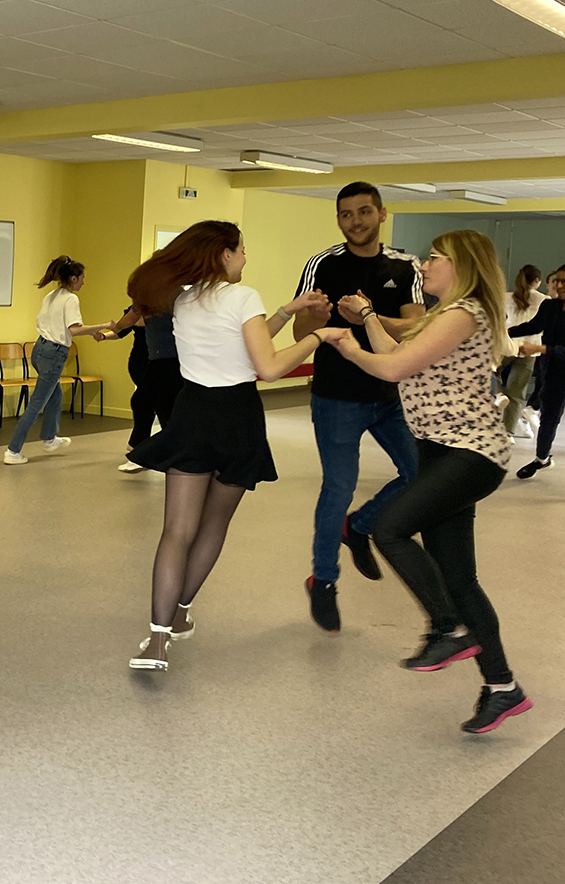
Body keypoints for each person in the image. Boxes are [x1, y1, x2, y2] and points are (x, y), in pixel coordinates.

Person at [332, 232, 532, 734]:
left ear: (460, 264)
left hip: (470, 454)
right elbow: (403, 360)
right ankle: (502, 687)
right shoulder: (444, 315)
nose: (423, 264)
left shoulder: (464, 313)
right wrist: (368, 321)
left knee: (391, 528)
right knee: (460, 578)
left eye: (434, 258)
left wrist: (350, 348)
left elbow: (393, 365)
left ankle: (449, 627)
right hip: (443, 453)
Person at [124, 222, 336, 672]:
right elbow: (269, 367)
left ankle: (158, 640)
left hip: (193, 414)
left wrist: (287, 309)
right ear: (223, 254)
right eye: (241, 250)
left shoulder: (181, 300)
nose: (245, 258)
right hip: (237, 419)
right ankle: (181, 611)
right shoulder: (243, 297)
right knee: (213, 525)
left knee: (176, 531)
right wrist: (318, 337)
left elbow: (240, 342)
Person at [292, 181, 426, 633]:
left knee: (420, 472)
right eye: (346, 214)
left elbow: (413, 328)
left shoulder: (404, 266)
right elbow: (299, 337)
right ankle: (324, 580)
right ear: (338, 219)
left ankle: (361, 526)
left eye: (364, 212)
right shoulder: (322, 264)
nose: (356, 222)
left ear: (382, 214)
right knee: (338, 487)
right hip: (337, 397)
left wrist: (367, 315)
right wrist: (316, 313)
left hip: (392, 395)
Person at [3, 256, 113, 466]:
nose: (83, 282)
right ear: (73, 278)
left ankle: (50, 438)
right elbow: (74, 330)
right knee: (37, 403)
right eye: (82, 278)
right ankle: (13, 450)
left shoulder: (51, 296)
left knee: (55, 392)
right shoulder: (71, 299)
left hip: (39, 350)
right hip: (54, 353)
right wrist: (103, 325)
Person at [508, 262, 565, 503]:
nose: (559, 285)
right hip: (553, 376)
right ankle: (541, 460)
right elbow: (532, 326)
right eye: (557, 281)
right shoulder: (549, 307)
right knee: (548, 420)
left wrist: (539, 348)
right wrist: (502, 332)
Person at [100, 307, 183, 473]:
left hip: (167, 360)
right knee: (148, 403)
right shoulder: (150, 302)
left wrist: (115, 326)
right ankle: (144, 450)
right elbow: (126, 325)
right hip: (153, 360)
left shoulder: (167, 299)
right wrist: (107, 333)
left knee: (153, 404)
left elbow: (126, 322)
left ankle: (147, 451)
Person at [500, 264, 546, 438]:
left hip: (507, 343)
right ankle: (508, 432)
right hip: (530, 348)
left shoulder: (505, 297)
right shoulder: (544, 300)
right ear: (537, 281)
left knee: (490, 373)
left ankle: (497, 394)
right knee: (517, 392)